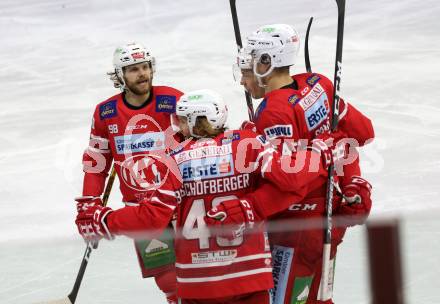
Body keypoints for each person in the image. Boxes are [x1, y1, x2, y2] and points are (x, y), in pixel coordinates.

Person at [75, 89, 334, 303]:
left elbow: (152, 217)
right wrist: (320, 154)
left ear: (192, 121)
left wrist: (104, 219)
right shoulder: (247, 144)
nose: (177, 125)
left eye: (181, 120)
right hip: (248, 275)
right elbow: (290, 183)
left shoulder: (174, 159)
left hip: (197, 284)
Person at [230, 24, 374, 304]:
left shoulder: (274, 112)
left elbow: (288, 179)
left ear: (266, 63)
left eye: (247, 69)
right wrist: (350, 177)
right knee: (319, 299)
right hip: (330, 217)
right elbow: (362, 132)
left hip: (295, 228)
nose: (242, 81)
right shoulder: (317, 83)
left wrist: (258, 143)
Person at [78, 42, 183, 303]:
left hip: (184, 202)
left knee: (198, 274)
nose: (142, 74)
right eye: (134, 69)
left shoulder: (173, 101)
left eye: (145, 67)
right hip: (141, 210)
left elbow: (202, 140)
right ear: (120, 75)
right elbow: (97, 162)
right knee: (167, 280)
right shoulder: (106, 113)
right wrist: (90, 204)